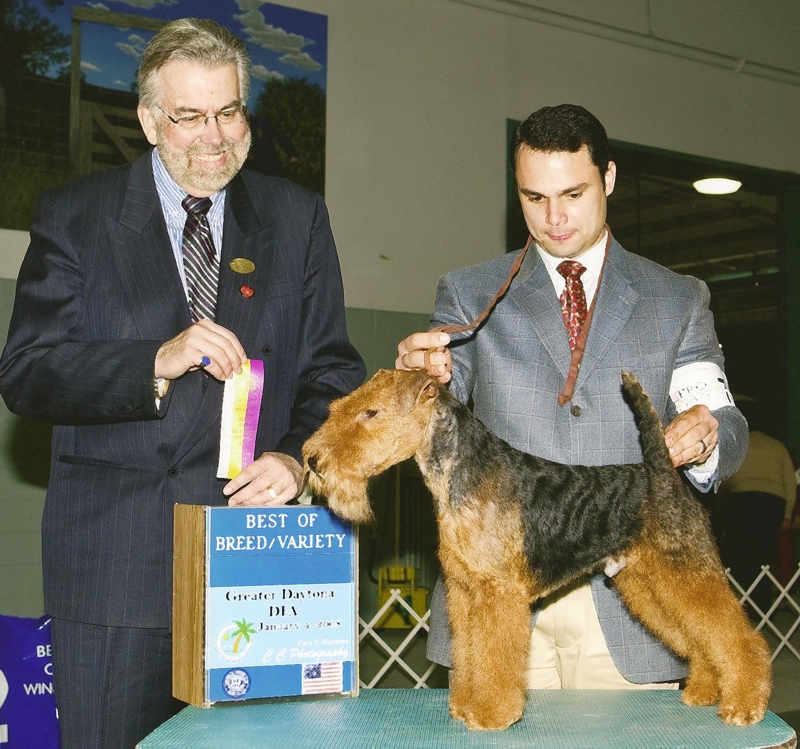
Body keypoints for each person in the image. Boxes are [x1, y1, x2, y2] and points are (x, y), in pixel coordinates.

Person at [0, 18, 364, 749]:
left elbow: (333, 372)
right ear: (147, 119)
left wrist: (296, 457)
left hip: (256, 570)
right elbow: (27, 373)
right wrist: (152, 360)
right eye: (189, 116)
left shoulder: (297, 220)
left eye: (228, 112)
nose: (214, 135)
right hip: (114, 569)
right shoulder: (77, 216)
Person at [397, 104, 748, 691]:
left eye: (573, 194)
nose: (554, 218)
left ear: (608, 179)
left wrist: (707, 431)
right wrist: (422, 378)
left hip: (631, 614)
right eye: (534, 199)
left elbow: (726, 421)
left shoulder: (677, 297)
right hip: (501, 595)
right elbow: (444, 401)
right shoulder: (468, 291)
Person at [720, 400, 796, 612]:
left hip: (742, 499)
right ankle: (762, 609)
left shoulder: (739, 444)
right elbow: (790, 483)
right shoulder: (778, 446)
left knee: (737, 552)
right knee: (763, 555)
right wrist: (787, 514)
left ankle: (737, 608)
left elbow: (725, 478)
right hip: (772, 502)